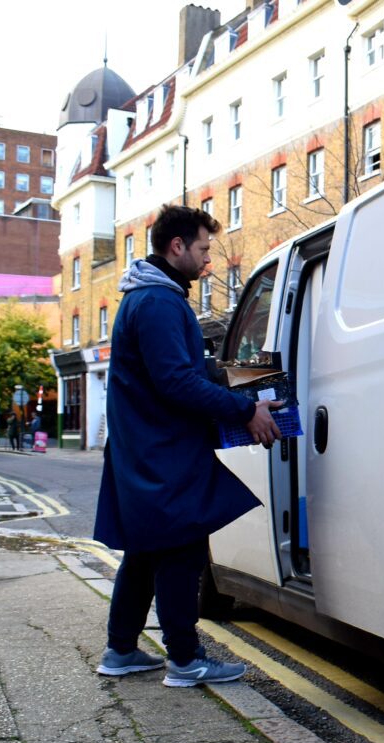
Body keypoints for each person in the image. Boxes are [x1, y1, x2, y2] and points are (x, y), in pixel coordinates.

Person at [93, 204, 281, 687]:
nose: (207, 261)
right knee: (182, 549)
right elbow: (175, 381)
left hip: (148, 448)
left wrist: (233, 374)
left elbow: (179, 372)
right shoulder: (158, 302)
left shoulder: (151, 297)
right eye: (202, 249)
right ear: (176, 246)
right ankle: (185, 659)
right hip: (164, 452)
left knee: (145, 551)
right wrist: (244, 409)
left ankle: (120, 650)